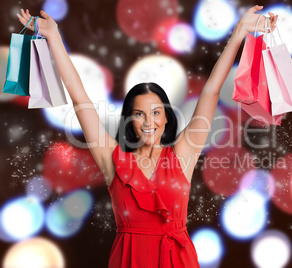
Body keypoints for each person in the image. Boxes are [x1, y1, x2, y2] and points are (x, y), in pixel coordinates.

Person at [16, 6, 278, 268]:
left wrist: (240, 32)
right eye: (139, 114)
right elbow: (79, 98)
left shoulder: (182, 154)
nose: (148, 121)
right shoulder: (113, 159)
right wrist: (54, 37)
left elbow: (211, 90)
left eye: (156, 112)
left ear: (166, 117)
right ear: (130, 120)